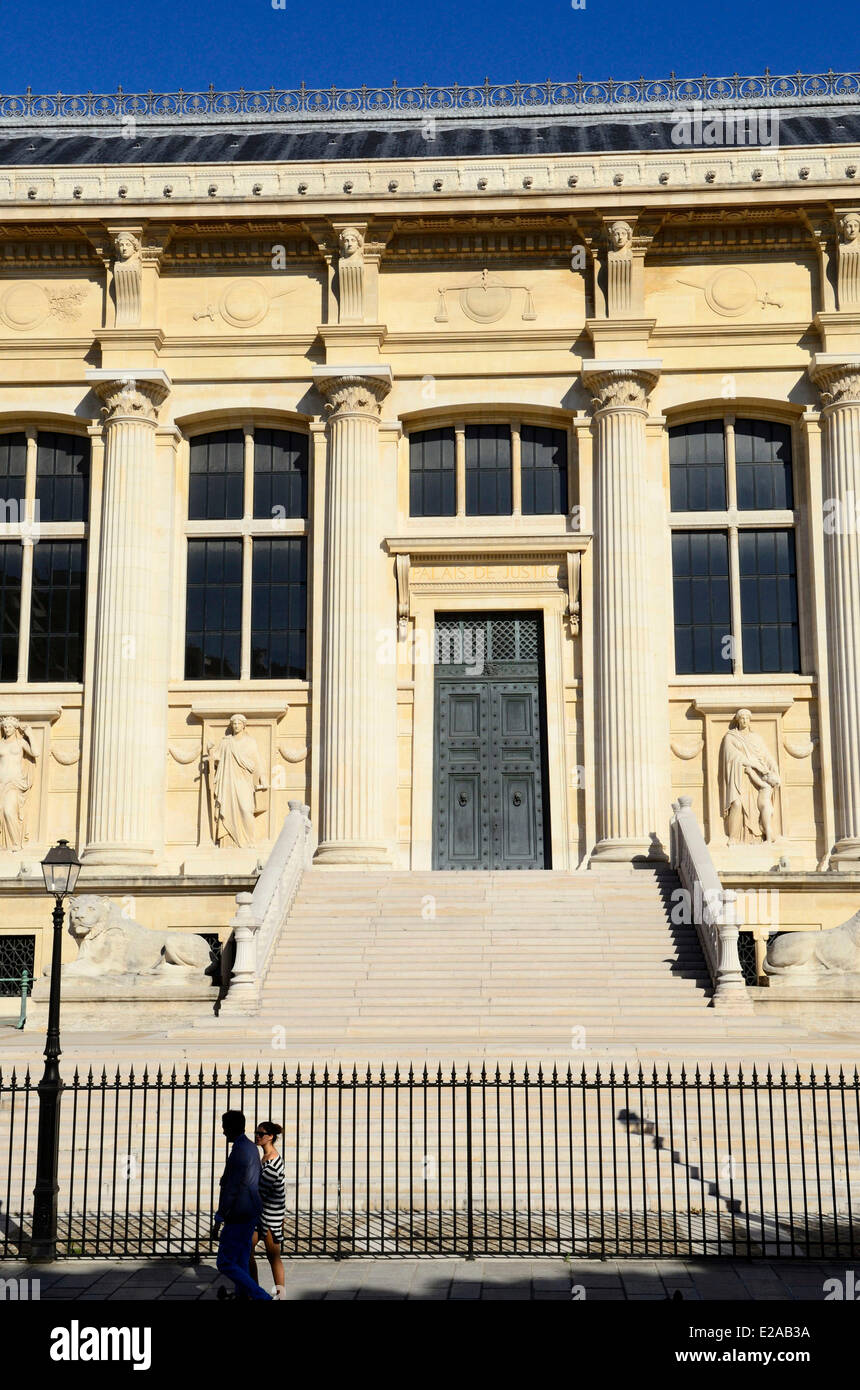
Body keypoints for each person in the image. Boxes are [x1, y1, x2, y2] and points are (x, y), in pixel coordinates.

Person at [213, 1110, 272, 1301]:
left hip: (239, 1213)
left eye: (224, 1126)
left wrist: (219, 1217)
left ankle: (260, 1296)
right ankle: (242, 1295)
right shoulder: (249, 1147)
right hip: (250, 1212)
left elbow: (231, 1188)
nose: (222, 1131)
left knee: (224, 1262)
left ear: (231, 1127)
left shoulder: (240, 1151)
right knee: (240, 1260)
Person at [249, 1121, 286, 1298]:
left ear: (270, 1137)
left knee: (274, 1257)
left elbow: (261, 1190)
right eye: (256, 1132)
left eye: (261, 1133)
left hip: (270, 1217)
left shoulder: (273, 1161)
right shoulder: (263, 1157)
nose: (257, 1136)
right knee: (247, 1251)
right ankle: (254, 1290)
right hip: (258, 1215)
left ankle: (281, 1295)